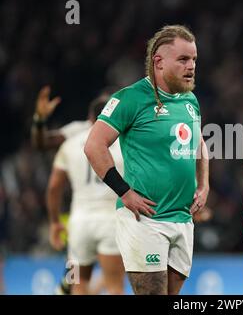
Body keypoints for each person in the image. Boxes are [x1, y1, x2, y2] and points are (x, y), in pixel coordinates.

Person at [84, 25, 209, 295]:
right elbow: (94, 146)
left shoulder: (190, 100)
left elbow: (199, 143)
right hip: (145, 219)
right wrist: (125, 192)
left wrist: (204, 185)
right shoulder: (130, 98)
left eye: (194, 60)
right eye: (184, 59)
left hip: (183, 218)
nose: (192, 66)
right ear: (158, 62)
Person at [47, 97, 125, 295]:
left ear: (90, 117)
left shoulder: (71, 144)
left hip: (79, 224)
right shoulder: (125, 143)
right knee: (115, 285)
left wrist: (55, 222)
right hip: (112, 222)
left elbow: (54, 187)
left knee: (77, 285)